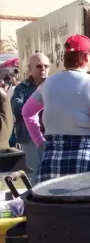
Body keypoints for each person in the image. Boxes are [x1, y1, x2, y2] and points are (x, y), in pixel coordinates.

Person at [22, 34, 90, 183]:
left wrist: (40, 142)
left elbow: (27, 112)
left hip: (52, 158)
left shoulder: (47, 83)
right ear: (87, 56)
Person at [11, 53, 50, 183]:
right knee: (34, 174)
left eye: (46, 66)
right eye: (39, 66)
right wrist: (36, 106)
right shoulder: (21, 89)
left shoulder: (52, 85)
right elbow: (17, 108)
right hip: (30, 137)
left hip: (51, 135)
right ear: (30, 69)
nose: (43, 69)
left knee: (52, 174)